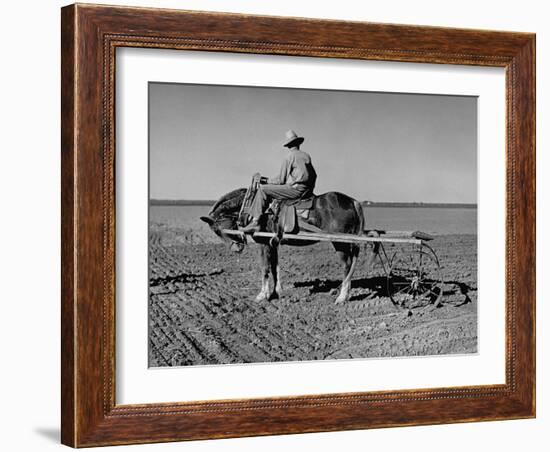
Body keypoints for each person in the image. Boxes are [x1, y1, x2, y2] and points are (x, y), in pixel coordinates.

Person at [240, 129, 317, 233]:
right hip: (307, 190)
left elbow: (281, 180)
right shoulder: (306, 156)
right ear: (298, 144)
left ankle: (255, 222)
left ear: (288, 146)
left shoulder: (289, 157)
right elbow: (314, 175)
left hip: (296, 190)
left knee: (263, 190)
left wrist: (264, 180)